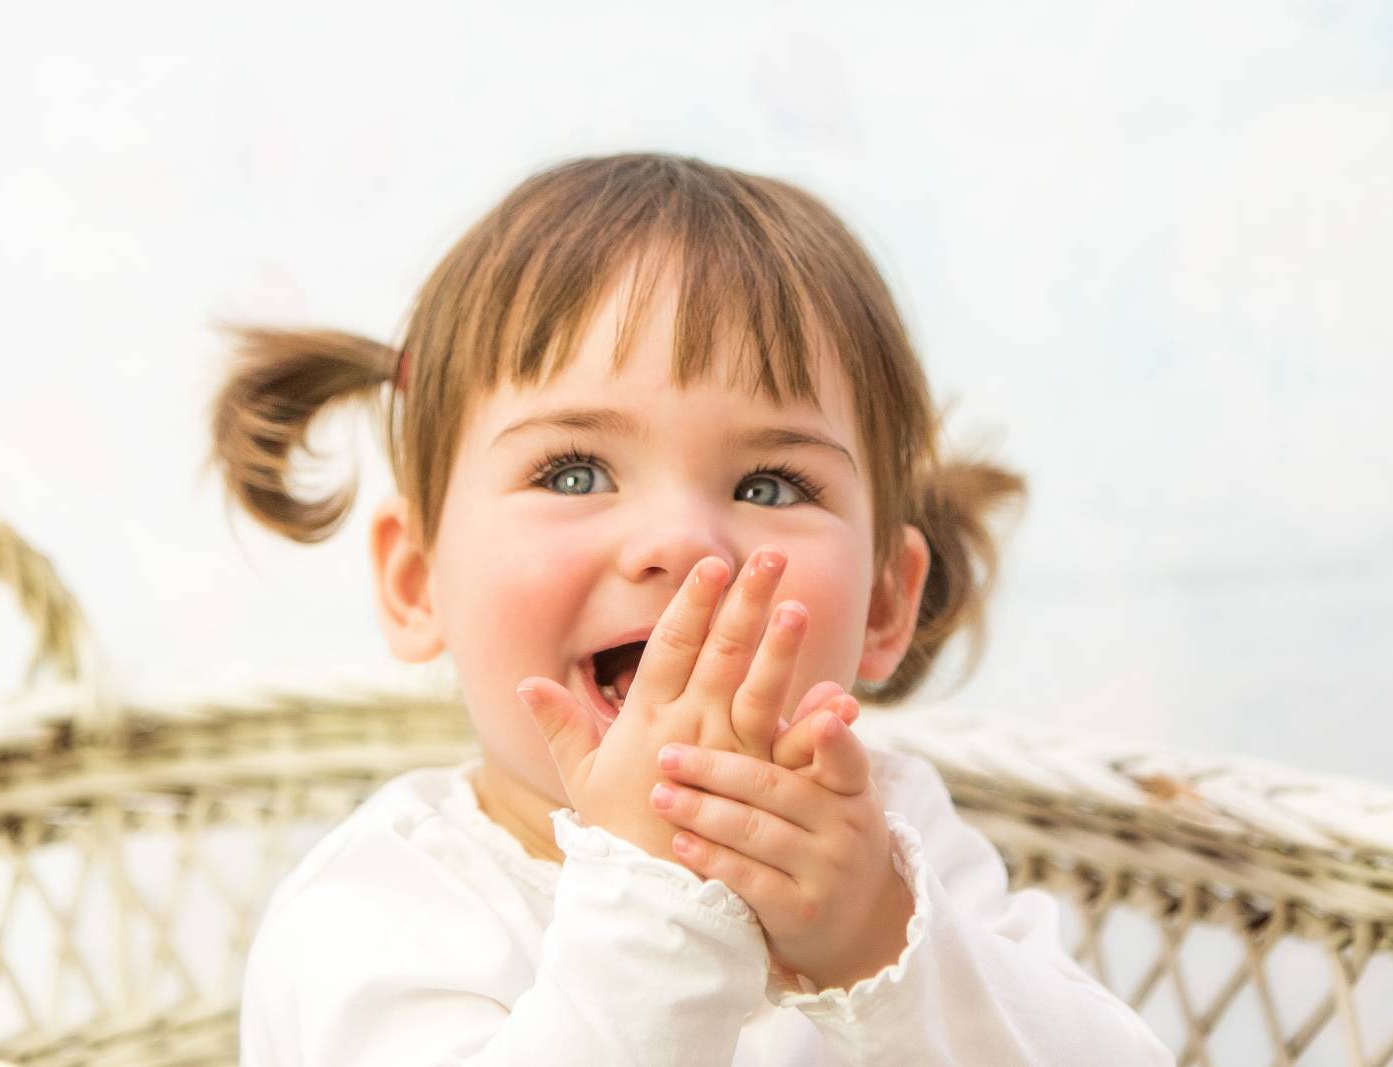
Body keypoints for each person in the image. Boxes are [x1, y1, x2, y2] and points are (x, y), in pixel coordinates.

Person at [209, 152, 1174, 1065]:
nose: (681, 542)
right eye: (574, 470)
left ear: (882, 603)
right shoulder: (380, 907)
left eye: (766, 484)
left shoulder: (901, 848)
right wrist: (655, 899)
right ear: (416, 583)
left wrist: (879, 948)